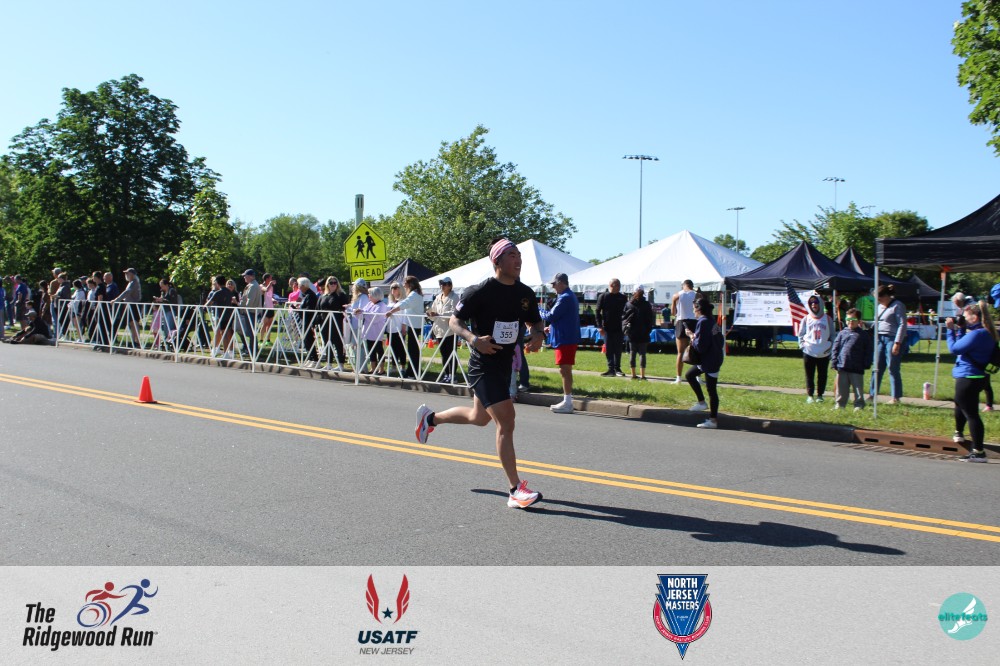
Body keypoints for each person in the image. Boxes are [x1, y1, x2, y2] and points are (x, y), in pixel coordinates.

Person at [414, 238, 547, 510]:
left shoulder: (524, 293)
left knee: (479, 418)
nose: (518, 260)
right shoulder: (480, 291)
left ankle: (430, 418)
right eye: (512, 255)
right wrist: (474, 340)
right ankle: (515, 490)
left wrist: (537, 335)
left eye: (519, 255)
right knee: (506, 420)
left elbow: (535, 321)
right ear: (497, 261)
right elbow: (455, 321)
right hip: (482, 365)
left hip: (504, 364)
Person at [946, 300, 998, 462]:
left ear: (975, 317)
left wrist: (950, 330)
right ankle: (961, 435)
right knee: (962, 407)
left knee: (971, 414)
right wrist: (961, 329)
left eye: (966, 317)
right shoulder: (987, 332)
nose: (964, 319)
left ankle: (978, 451)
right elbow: (964, 346)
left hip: (968, 376)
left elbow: (955, 349)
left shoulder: (977, 334)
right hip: (978, 377)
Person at [543, 272, 581, 414]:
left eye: (554, 284)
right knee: (564, 369)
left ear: (561, 283)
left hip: (565, 339)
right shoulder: (568, 296)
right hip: (566, 337)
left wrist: (538, 310)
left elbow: (551, 316)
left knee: (565, 370)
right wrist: (552, 328)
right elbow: (563, 318)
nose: (553, 287)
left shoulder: (565, 297)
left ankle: (568, 402)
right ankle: (567, 400)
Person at [685, 298, 726, 429]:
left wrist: (691, 337)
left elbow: (701, 346)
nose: (693, 311)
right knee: (690, 375)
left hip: (710, 359)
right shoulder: (710, 320)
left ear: (698, 309)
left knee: (711, 389)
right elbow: (720, 339)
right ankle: (702, 403)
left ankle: (713, 420)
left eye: (694, 308)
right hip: (713, 357)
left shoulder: (702, 322)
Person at [869, 284, 907, 404]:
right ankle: (872, 394)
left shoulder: (898, 305)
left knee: (892, 367)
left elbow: (902, 324)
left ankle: (895, 397)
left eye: (880, 298)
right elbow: (877, 322)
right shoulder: (879, 307)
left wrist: (897, 342)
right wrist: (864, 323)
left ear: (886, 296)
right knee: (877, 367)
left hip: (892, 339)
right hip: (880, 338)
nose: (879, 301)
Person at [830, 308, 873, 411]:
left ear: (859, 321)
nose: (850, 322)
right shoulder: (842, 333)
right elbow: (836, 348)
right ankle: (840, 404)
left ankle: (859, 405)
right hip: (842, 365)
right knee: (841, 388)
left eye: (853, 319)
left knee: (858, 388)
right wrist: (834, 361)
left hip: (857, 367)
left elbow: (869, 350)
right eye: (848, 319)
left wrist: (867, 363)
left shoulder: (863, 335)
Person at [385, 276, 425, 379]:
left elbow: (404, 304)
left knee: (413, 350)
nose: (404, 285)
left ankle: (413, 372)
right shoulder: (415, 294)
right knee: (412, 349)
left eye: (405, 283)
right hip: (413, 324)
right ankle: (412, 371)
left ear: (410, 284)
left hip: (414, 324)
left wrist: (391, 311)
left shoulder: (414, 295)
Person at [798, 293, 835, 403]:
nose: (813, 305)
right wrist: (802, 346)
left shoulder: (827, 319)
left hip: (824, 352)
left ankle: (820, 395)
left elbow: (833, 335)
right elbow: (801, 334)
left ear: (821, 304)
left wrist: (830, 347)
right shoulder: (806, 319)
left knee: (822, 375)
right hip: (809, 351)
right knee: (809, 374)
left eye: (816, 302)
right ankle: (810, 395)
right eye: (811, 303)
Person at [427, 277, 458, 383]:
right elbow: (433, 311)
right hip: (439, 330)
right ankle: (446, 374)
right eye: (441, 284)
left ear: (450, 286)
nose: (442, 286)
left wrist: (439, 314)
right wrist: (430, 314)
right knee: (444, 353)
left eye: (444, 284)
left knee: (451, 353)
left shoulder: (454, 297)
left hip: (450, 330)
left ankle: (453, 375)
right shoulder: (437, 297)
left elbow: (455, 312)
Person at [316, 276, 350, 371]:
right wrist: (316, 321)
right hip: (324, 323)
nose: (333, 284)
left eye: (335, 283)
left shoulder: (341, 295)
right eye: (331, 283)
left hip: (337, 323)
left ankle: (341, 364)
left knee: (338, 343)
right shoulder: (323, 296)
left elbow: (345, 308)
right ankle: (329, 363)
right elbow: (318, 309)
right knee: (327, 343)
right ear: (327, 284)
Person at [595, 278, 627, 377]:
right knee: (609, 349)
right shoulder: (603, 296)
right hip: (607, 328)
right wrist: (599, 326)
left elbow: (626, 312)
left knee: (618, 349)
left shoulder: (623, 297)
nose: (619, 287)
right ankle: (610, 369)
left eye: (619, 285)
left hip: (619, 327)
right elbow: (597, 311)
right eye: (617, 285)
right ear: (611, 285)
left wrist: (625, 325)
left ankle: (617, 368)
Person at [623, 285, 654, 380]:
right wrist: (648, 330)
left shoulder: (629, 304)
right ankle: (643, 375)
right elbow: (650, 319)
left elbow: (624, 317)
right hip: (643, 332)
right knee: (642, 354)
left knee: (632, 353)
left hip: (632, 332)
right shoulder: (647, 304)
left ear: (633, 292)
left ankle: (633, 375)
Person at [671, 279, 698, 383]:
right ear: (692, 286)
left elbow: (673, 312)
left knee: (680, 352)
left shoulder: (676, 295)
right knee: (697, 351)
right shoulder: (697, 295)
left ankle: (678, 378)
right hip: (694, 322)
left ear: (683, 285)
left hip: (681, 322)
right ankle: (698, 377)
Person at [357, 286, 389, 373]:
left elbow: (375, 317)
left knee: (379, 350)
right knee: (371, 350)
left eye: (370, 294)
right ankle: (373, 368)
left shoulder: (382, 305)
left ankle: (381, 369)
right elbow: (363, 312)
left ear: (375, 295)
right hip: (368, 331)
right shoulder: (369, 304)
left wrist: (364, 313)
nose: (368, 295)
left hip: (377, 331)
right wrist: (358, 311)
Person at [238, 269, 262, 357]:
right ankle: (252, 351)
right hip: (250, 312)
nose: (244, 277)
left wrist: (243, 309)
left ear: (251, 276)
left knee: (251, 333)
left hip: (250, 312)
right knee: (251, 332)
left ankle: (253, 351)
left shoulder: (253, 286)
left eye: (246, 276)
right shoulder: (252, 285)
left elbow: (250, 301)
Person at [297, 277, 319, 367]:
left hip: (309, 320)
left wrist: (300, 310)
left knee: (309, 339)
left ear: (303, 286)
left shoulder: (310, 295)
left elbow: (309, 309)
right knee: (306, 340)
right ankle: (310, 358)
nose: (298, 287)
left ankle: (315, 359)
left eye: (299, 285)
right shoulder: (306, 295)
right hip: (305, 320)